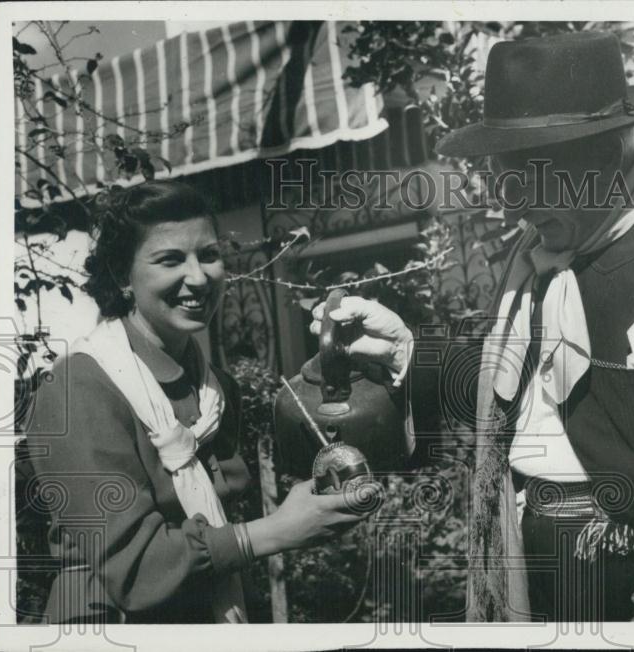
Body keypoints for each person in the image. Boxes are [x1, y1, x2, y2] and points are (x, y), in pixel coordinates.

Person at [311, 31, 634, 622]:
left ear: (611, 153)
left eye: (533, 181)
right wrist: (403, 346)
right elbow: (506, 390)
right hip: (534, 572)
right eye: (505, 181)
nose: (514, 209)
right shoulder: (530, 260)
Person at [26, 181, 379, 624]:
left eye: (208, 255)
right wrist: (273, 533)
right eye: (170, 260)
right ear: (122, 276)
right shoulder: (78, 388)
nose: (198, 277)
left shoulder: (215, 389)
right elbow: (138, 571)